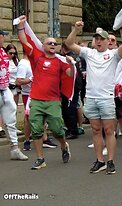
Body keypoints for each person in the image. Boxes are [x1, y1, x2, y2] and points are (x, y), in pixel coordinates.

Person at [65, 22, 122, 175]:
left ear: (108, 41)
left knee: (109, 130)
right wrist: (76, 29)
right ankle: (100, 161)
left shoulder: (113, 55)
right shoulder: (89, 53)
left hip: (106, 98)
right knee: (95, 130)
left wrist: (121, 28)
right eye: (96, 38)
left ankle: (110, 161)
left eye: (102, 39)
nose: (99, 41)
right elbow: (69, 43)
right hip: (91, 98)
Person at [16, 15, 72, 169]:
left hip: (53, 101)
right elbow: (24, 41)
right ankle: (40, 159)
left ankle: (63, 145)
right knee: (36, 130)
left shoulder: (60, 61)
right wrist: (21, 26)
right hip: (36, 99)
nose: (53, 45)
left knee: (57, 129)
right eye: (50, 43)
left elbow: (69, 75)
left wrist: (71, 65)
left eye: (55, 43)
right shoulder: (37, 57)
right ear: (44, 46)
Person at [0, 29, 28, 161]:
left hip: (5, 90)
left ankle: (15, 149)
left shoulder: (3, 53)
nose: (4, 38)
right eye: (2, 36)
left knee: (10, 121)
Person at [16, 51, 33, 151]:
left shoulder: (34, 60)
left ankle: (44, 138)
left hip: (38, 92)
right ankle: (27, 140)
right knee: (28, 117)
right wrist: (31, 79)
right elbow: (19, 81)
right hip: (28, 94)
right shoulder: (23, 64)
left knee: (41, 116)